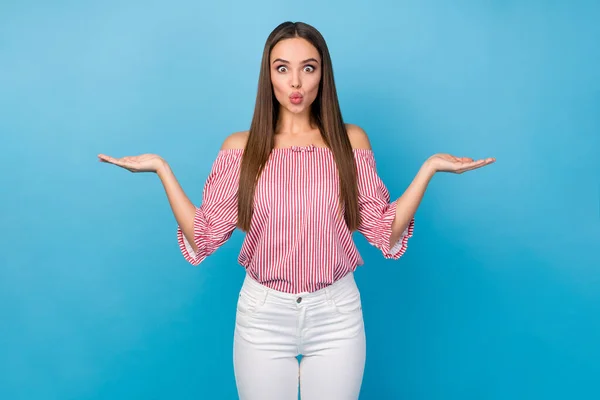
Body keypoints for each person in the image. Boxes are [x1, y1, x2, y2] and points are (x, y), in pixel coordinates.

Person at [98, 21, 495, 400]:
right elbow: (203, 235)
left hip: (336, 313)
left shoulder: (349, 140)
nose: (295, 82)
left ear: (323, 75)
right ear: (268, 75)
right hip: (263, 314)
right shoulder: (242, 147)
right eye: (282, 68)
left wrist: (429, 169)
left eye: (308, 68)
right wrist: (161, 169)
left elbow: (383, 230)